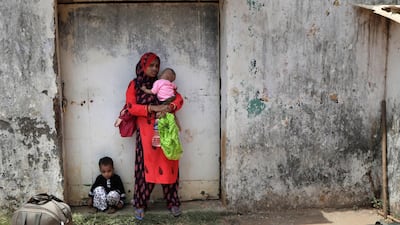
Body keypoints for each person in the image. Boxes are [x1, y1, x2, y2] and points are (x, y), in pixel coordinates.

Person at [125, 52, 184, 220]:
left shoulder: (163, 83)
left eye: (157, 66)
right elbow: (131, 107)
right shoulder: (135, 84)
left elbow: (179, 99)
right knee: (146, 169)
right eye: (151, 65)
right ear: (143, 66)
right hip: (146, 135)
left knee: (169, 164)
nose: (154, 68)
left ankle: (173, 202)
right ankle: (140, 204)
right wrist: (152, 108)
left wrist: (170, 106)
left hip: (166, 131)